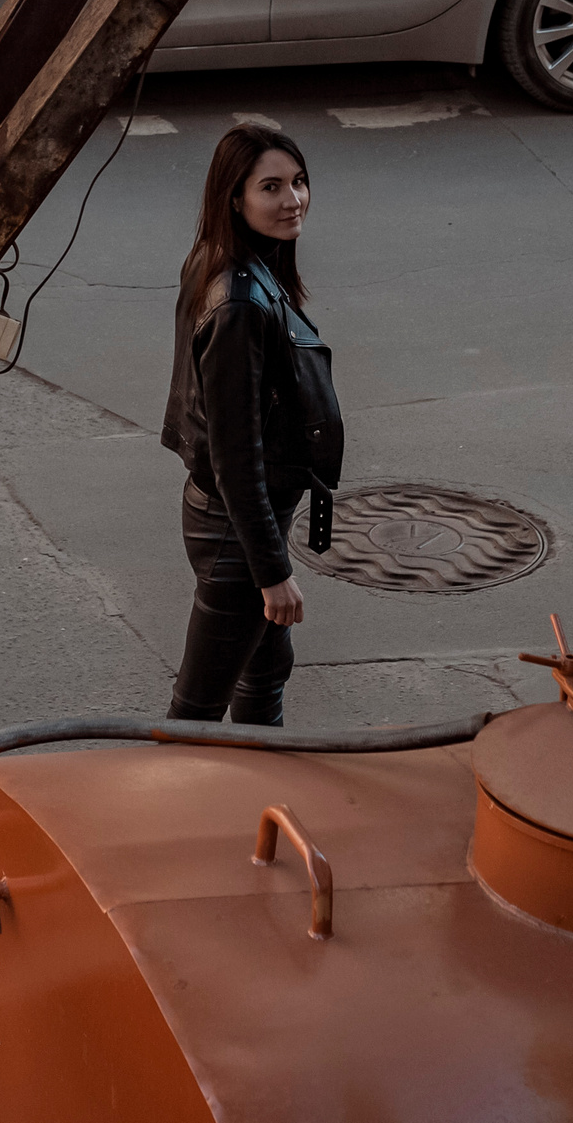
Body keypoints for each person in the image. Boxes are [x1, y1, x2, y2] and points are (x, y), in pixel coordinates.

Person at [160, 123, 342, 725]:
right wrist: (273, 575)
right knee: (196, 712)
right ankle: (177, 815)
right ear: (234, 198)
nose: (293, 199)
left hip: (239, 523)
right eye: (271, 187)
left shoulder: (232, 263)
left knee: (264, 677)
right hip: (234, 537)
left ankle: (263, 797)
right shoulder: (239, 303)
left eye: (298, 182)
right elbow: (236, 455)